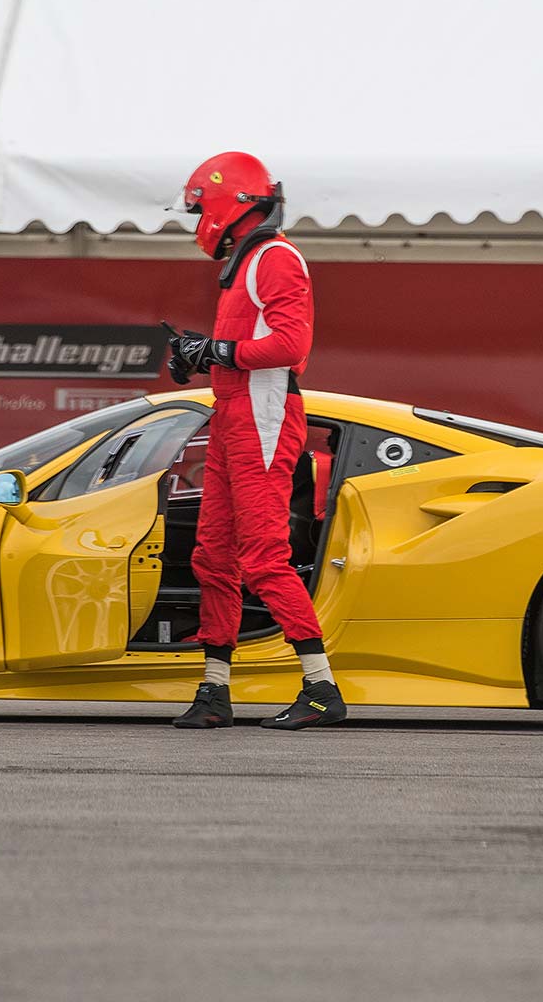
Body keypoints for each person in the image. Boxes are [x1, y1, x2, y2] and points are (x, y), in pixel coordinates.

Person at [164, 151, 347, 731]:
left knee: (263, 557)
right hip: (233, 415)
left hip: (263, 416)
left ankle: (322, 690)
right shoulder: (248, 261)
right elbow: (249, 348)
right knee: (211, 556)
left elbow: (291, 345)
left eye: (199, 206)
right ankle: (215, 691)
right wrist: (197, 358)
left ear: (226, 202)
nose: (196, 218)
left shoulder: (275, 258)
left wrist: (215, 352)